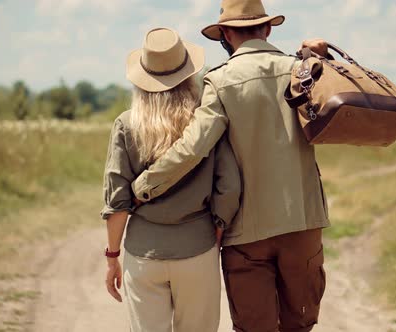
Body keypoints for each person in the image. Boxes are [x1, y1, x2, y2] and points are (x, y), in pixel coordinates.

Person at [130, 1, 330, 331]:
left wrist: (143, 187)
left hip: (245, 233)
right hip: (303, 224)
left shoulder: (219, 81)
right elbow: (345, 106)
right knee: (300, 326)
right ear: (267, 29)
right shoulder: (302, 71)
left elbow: (193, 148)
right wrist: (318, 59)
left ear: (224, 34)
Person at [101, 27, 241, 332]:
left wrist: (112, 257)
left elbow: (117, 203)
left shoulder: (126, 125)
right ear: (188, 74)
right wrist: (217, 229)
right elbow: (229, 186)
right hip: (197, 250)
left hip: (143, 255)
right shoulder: (205, 123)